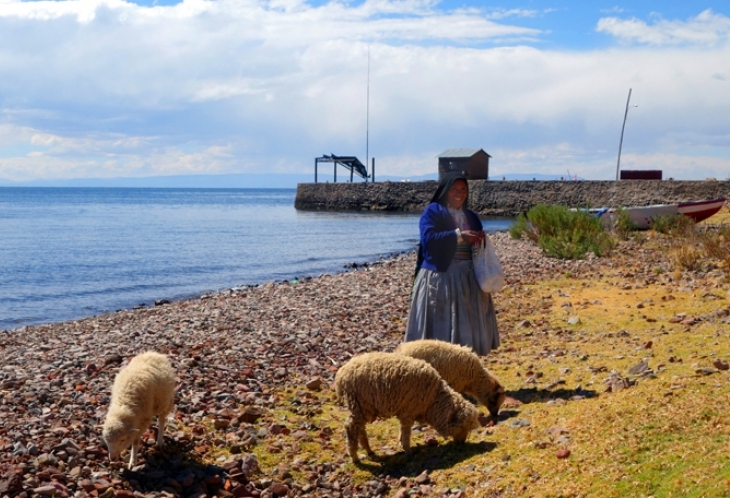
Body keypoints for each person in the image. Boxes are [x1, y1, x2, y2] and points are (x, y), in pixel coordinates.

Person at [404, 172, 500, 356]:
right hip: (441, 278)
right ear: (445, 191)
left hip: (468, 278)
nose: (459, 193)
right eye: (454, 189)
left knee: (466, 322)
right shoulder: (433, 211)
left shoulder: (470, 216)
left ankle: (463, 364)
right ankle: (438, 364)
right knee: (441, 323)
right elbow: (428, 239)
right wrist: (458, 235)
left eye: (463, 189)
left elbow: (477, 244)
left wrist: (479, 240)